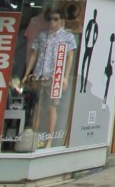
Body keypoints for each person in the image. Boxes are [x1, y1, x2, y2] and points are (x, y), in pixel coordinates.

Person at [24, 8, 78, 149]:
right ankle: (33, 139)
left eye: (56, 19)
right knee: (37, 107)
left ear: (61, 20)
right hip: (39, 75)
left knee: (51, 107)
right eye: (50, 19)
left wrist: (65, 77)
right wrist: (27, 73)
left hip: (55, 77)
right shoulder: (42, 36)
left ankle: (49, 140)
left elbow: (70, 57)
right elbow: (34, 55)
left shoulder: (67, 36)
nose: (53, 22)